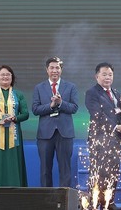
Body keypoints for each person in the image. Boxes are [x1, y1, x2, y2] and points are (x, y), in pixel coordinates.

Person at [85, 62, 121, 210]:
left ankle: (109, 202)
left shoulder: (116, 93)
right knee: (98, 172)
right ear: (97, 76)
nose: (107, 77)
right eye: (104, 74)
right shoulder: (92, 93)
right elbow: (97, 115)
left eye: (110, 74)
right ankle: (93, 203)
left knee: (113, 172)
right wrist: (116, 127)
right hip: (99, 140)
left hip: (115, 139)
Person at [32, 57, 79, 187]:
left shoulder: (71, 87)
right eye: (52, 67)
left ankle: (64, 201)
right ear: (47, 70)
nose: (54, 70)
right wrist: (51, 105)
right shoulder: (39, 88)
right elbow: (35, 109)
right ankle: (47, 202)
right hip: (45, 134)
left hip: (65, 133)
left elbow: (74, 108)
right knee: (45, 170)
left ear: (61, 70)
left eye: (57, 68)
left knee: (65, 170)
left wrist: (61, 103)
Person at [0, 65, 29, 187]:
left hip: (14, 134)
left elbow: (25, 114)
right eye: (2, 75)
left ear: (12, 77)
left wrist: (15, 118)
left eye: (8, 74)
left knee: (14, 161)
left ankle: (16, 189)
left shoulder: (18, 95)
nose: (5, 77)